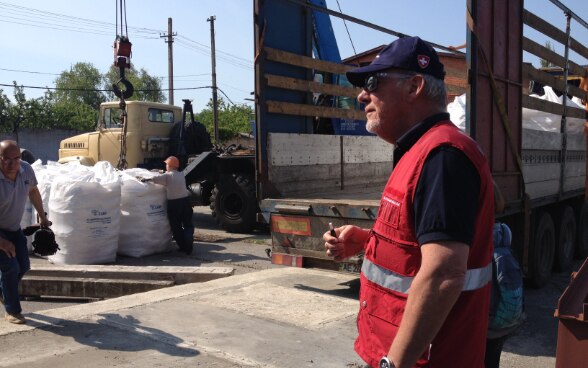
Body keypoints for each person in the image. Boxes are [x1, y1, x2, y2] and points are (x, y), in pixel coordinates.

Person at [323, 36, 494, 368]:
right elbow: (419, 244)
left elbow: (444, 273)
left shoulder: (443, 157)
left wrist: (393, 364)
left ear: (414, 85)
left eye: (372, 83)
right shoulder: (419, 151)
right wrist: (365, 239)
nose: (361, 96)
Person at [0, 140, 50, 324]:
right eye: (6, 159)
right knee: (10, 268)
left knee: (24, 266)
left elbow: (34, 191)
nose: (12, 164)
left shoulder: (26, 170)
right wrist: (2, 242)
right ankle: (12, 311)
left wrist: (42, 216)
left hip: (14, 229)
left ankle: (3, 290)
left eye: (16, 158)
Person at [141, 156, 194, 255]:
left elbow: (154, 179)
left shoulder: (167, 177)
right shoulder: (181, 174)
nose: (165, 166)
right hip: (186, 202)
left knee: (176, 227)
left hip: (174, 205)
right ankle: (189, 245)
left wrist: (144, 179)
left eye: (166, 164)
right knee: (188, 225)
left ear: (169, 165)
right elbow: (168, 175)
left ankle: (183, 247)